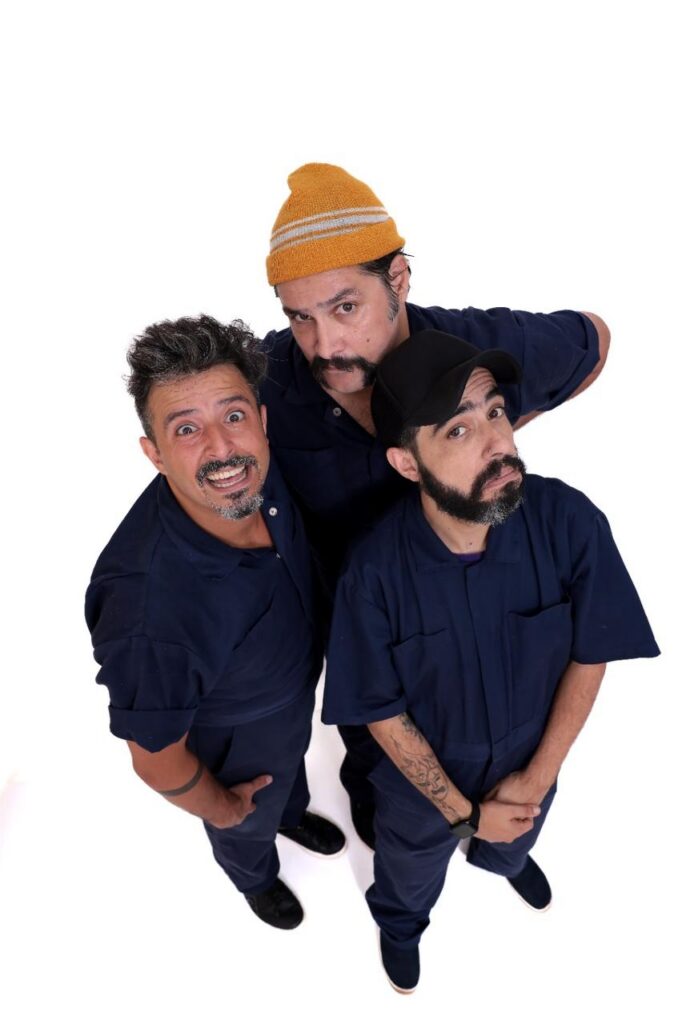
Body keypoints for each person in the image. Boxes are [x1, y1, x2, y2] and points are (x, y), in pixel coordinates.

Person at [260, 162, 612, 847]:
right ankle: (380, 820)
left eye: (344, 308)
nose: (325, 346)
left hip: (466, 595)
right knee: (373, 749)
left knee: (492, 719)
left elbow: (593, 339)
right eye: (301, 317)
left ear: (398, 279)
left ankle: (491, 840)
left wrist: (483, 430)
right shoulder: (271, 381)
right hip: (356, 615)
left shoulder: (471, 348)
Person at [322, 328, 659, 993]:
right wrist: (464, 815)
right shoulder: (372, 573)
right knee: (408, 869)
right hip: (420, 790)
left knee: (518, 835)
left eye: (495, 412)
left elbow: (592, 654)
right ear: (407, 464)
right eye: (457, 430)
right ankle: (401, 926)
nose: (498, 442)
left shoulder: (569, 521)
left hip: (532, 761)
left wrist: (535, 780)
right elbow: (381, 713)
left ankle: (504, 861)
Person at [85, 315, 345, 932]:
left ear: (261, 420)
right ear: (154, 453)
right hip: (234, 745)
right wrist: (223, 808)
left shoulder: (258, 474)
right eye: (186, 429)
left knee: (290, 771)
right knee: (246, 822)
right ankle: (254, 874)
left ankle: (289, 814)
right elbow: (157, 762)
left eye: (233, 416)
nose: (222, 449)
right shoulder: (147, 609)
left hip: (290, 702)